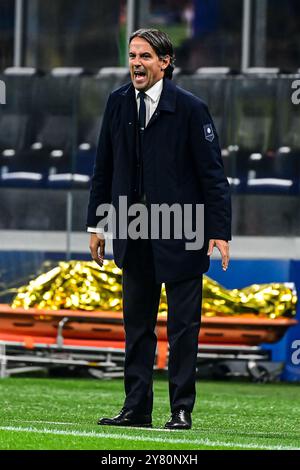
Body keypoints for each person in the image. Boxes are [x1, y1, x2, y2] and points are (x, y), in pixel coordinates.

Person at [87, 28, 231, 430]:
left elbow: (212, 175)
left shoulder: (190, 108)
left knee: (183, 329)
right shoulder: (117, 103)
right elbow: (104, 169)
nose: (136, 63)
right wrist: (97, 224)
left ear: (165, 62)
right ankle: (136, 409)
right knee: (137, 327)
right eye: (132, 55)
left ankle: (181, 409)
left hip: (183, 231)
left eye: (146, 56)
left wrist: (218, 231)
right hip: (132, 230)